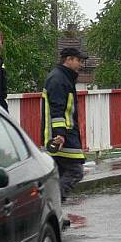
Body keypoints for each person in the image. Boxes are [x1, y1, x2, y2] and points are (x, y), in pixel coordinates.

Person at [42, 47, 87, 201]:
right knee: (75, 171)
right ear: (68, 60)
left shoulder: (63, 77)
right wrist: (60, 134)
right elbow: (57, 109)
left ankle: (54, 212)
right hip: (62, 136)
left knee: (59, 175)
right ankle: (52, 206)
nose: (81, 65)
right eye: (78, 60)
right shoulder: (58, 80)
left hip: (63, 134)